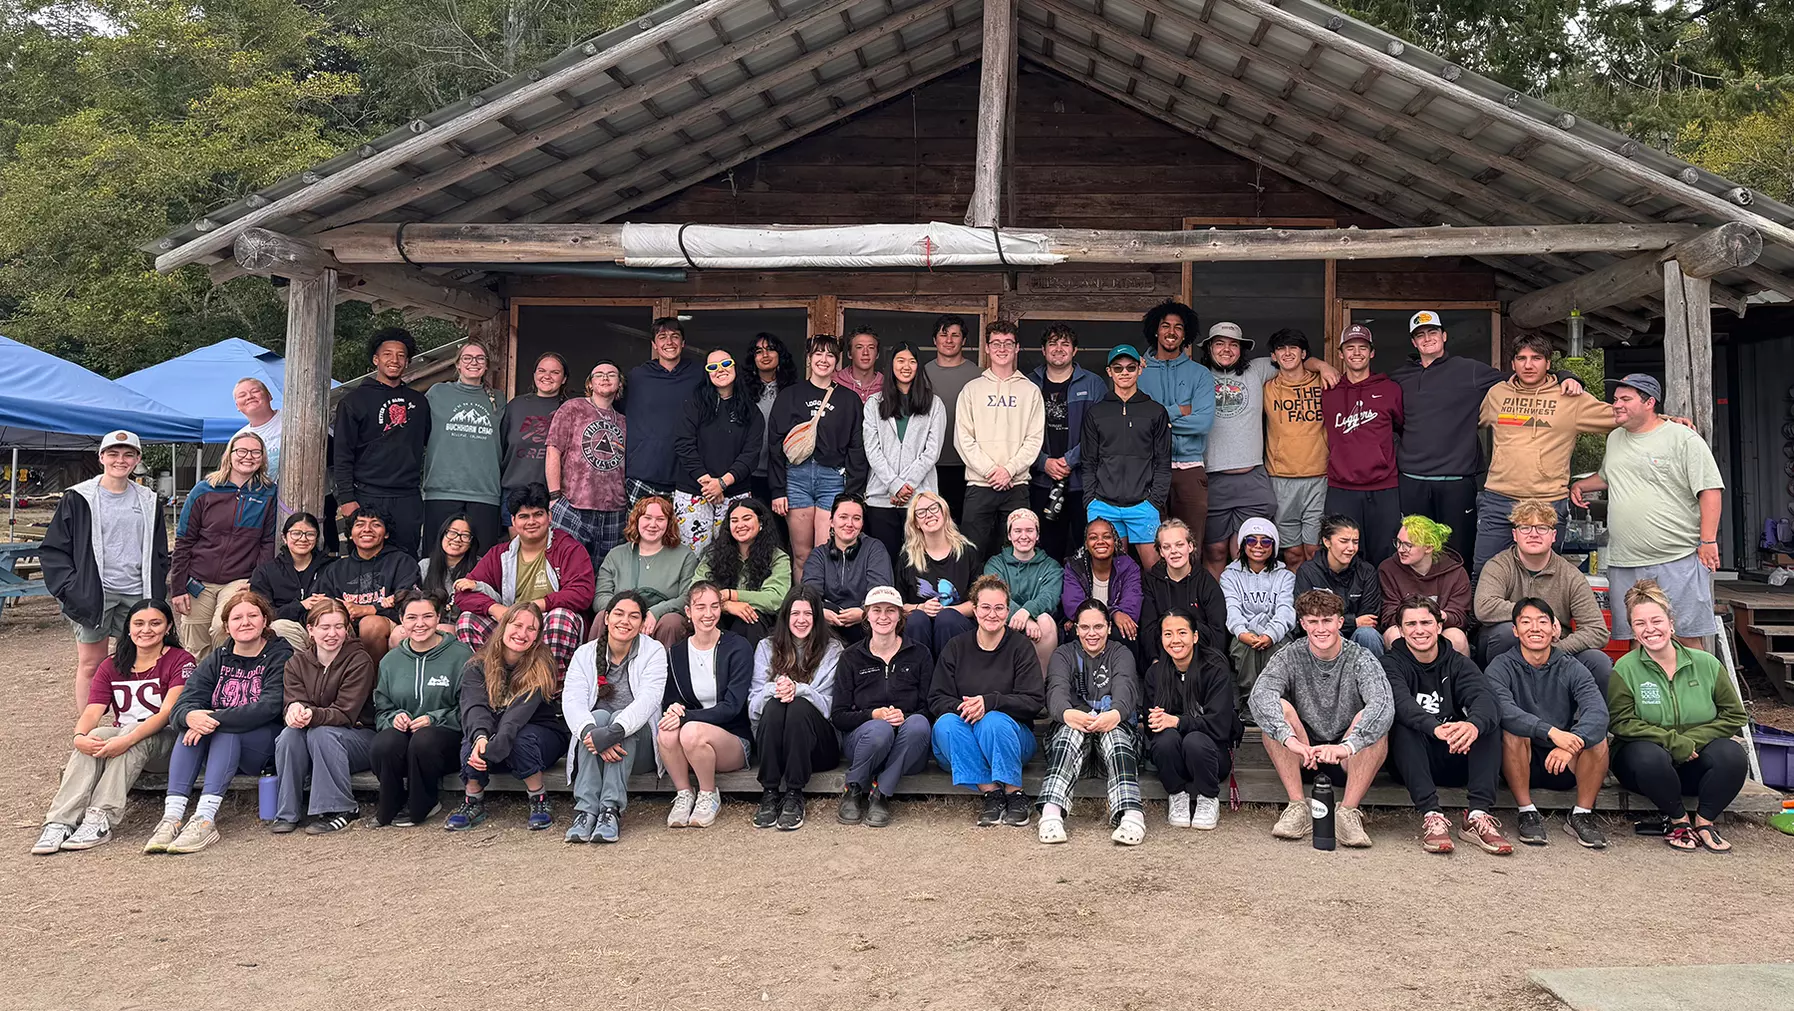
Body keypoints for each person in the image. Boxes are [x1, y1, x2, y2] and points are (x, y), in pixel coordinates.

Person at [1391, 310, 1585, 563]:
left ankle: (1458, 603)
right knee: (1413, 547)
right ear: (1414, 343)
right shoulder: (1399, 377)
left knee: (1458, 553)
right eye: (1421, 335)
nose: (1428, 338)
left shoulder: (1469, 370)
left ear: (1444, 336)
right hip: (1412, 479)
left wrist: (1564, 376)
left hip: (1456, 481)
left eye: (1433, 332)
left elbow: (1522, 378)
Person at [1571, 373, 1723, 648]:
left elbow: (1710, 490)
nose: (1616, 404)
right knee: (1636, 638)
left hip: (1677, 557)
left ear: (1649, 403)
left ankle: (1696, 691)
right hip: (1625, 561)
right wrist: (1581, 485)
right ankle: (1644, 692)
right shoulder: (1615, 438)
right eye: (1615, 399)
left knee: (1686, 636)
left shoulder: (1682, 438)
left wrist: (1708, 541)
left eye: (1626, 399)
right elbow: (1609, 475)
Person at [32, 599, 194, 855]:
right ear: (128, 628)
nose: (146, 630)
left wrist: (126, 740)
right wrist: (79, 737)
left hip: (167, 745)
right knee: (95, 735)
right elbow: (93, 710)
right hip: (125, 739)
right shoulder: (112, 664)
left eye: (155, 623)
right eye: (138, 623)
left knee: (130, 734)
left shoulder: (181, 660)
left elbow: (167, 713)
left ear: (168, 627)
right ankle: (60, 821)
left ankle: (100, 818)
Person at [148, 589, 292, 854]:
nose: (245, 622)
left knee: (224, 731)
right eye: (237, 618)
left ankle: (205, 818)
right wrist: (190, 716)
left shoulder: (280, 656)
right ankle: (172, 817)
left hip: (262, 747)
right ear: (226, 625)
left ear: (264, 621)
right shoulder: (217, 658)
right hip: (217, 749)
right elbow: (183, 704)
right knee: (190, 729)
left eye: (252, 616)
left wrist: (213, 719)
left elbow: (270, 707)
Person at [1607, 580, 1748, 852]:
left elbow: (1733, 715)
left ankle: (1705, 822)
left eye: (1656, 620)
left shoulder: (1706, 664)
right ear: (1633, 631)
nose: (1650, 629)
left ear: (1671, 623)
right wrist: (1670, 741)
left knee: (1732, 755)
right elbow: (1621, 721)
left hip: (1695, 758)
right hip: (1645, 767)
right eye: (1640, 624)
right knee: (1648, 756)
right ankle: (1678, 820)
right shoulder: (1624, 669)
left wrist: (1692, 739)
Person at [1249, 589, 1393, 847]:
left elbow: (1383, 704)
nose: (1321, 628)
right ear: (1303, 624)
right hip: (1303, 752)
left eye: (1327, 620)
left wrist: (1345, 747)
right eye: (1313, 622)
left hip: (1347, 755)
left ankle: (1348, 812)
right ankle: (1297, 807)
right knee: (1277, 710)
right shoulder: (1289, 655)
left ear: (1340, 622)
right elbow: (1260, 696)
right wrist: (1290, 740)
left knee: (1371, 720)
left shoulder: (1360, 657)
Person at [1199, 321, 1339, 576]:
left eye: (1233, 344)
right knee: (1215, 549)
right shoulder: (1197, 374)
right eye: (1219, 344)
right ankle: (1218, 612)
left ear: (1242, 349)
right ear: (1209, 348)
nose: (1226, 350)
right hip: (1213, 474)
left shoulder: (1258, 369)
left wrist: (1322, 365)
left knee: (1249, 547)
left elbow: (1292, 360)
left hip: (1253, 474)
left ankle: (1253, 603)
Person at [43, 430, 169, 710]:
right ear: (101, 457)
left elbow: (160, 551)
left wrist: (157, 591)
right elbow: (54, 549)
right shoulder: (79, 498)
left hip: (139, 592)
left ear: (137, 460)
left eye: (128, 454)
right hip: (95, 592)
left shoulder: (148, 501)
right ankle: (87, 729)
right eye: (113, 453)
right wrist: (71, 589)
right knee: (91, 664)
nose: (120, 460)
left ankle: (134, 722)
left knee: (140, 661)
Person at [1474, 333, 1617, 578]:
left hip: (1547, 501)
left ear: (1548, 363)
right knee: (1485, 572)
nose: (1528, 365)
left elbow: (1622, 418)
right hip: (1498, 499)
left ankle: (1543, 619)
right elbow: (1463, 421)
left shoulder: (1572, 398)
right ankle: (1483, 618)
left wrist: (1667, 422)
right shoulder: (1497, 394)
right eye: (1522, 358)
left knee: (1542, 577)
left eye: (1536, 358)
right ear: (1513, 364)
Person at [1382, 597, 1511, 855]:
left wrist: (1472, 725)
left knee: (1487, 724)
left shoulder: (1458, 662)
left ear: (1439, 626)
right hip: (1414, 759)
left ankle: (1477, 815)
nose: (1420, 630)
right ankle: (1432, 815)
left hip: (1456, 753)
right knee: (1403, 724)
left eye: (1426, 622)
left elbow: (1485, 699)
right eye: (1411, 624)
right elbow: (1401, 703)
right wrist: (1434, 727)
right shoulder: (1391, 663)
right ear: (1401, 629)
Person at [1485, 598, 1611, 848]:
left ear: (1555, 629)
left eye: (1543, 621)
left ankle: (1582, 815)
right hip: (1522, 759)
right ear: (1515, 630)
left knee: (1597, 740)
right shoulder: (1500, 666)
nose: (1535, 628)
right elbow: (1504, 710)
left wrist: (1572, 743)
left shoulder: (1571, 667)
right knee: (1512, 732)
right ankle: (1526, 811)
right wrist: (1552, 733)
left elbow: (1597, 711)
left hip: (1563, 760)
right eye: (1526, 622)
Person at [928, 575, 1045, 827]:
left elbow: (1034, 701)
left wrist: (990, 702)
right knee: (945, 724)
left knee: (992, 720)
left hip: (1010, 740)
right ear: (974, 608)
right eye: (985, 607)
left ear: (1008, 609)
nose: (992, 614)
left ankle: (1015, 794)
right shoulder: (956, 647)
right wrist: (969, 708)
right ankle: (991, 793)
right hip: (962, 744)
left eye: (999, 607)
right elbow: (936, 698)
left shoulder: (1020, 647)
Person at [448, 602, 570, 831]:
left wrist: (492, 749)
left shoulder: (542, 665)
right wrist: (482, 740)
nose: (522, 633)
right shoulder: (477, 666)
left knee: (520, 738)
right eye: (517, 625)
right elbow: (474, 707)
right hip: (495, 735)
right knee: (471, 741)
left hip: (540, 735)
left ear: (537, 636)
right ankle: (472, 800)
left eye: (531, 629)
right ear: (503, 626)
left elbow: (517, 716)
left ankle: (538, 798)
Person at [561, 590, 669, 844]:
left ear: (643, 624)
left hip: (637, 747)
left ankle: (610, 809)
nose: (625, 621)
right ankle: (586, 811)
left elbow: (648, 700)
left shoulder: (654, 651)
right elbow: (572, 700)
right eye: (618, 614)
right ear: (606, 618)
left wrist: (614, 732)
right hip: (594, 746)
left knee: (620, 717)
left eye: (634, 616)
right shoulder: (585, 654)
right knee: (596, 717)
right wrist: (592, 733)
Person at [453, 483, 595, 675]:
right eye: (524, 516)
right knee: (467, 620)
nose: (531, 521)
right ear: (513, 520)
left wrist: (538, 605)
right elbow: (463, 594)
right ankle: (493, 683)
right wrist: (497, 610)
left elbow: (582, 593)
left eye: (538, 514)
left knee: (560, 617)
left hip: (548, 623)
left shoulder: (569, 549)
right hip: (511, 624)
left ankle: (553, 690)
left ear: (549, 516)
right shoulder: (500, 554)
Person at [1036, 600, 1146, 846]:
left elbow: (1126, 692)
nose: (1091, 633)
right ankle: (1051, 814)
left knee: (1114, 733)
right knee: (1070, 732)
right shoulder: (1064, 654)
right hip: (1074, 756)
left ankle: (1131, 815)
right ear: (1075, 629)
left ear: (1108, 628)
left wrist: (1114, 715)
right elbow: (1055, 692)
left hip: (1117, 755)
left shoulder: (1121, 653)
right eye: (1084, 627)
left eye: (1098, 627)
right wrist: (1068, 714)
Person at [1473, 499, 1612, 687]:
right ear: (1515, 534)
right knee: (1504, 633)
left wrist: (1553, 649)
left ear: (1554, 535)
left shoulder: (1571, 575)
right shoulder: (1498, 565)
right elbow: (1484, 607)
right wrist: (1539, 618)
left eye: (1542, 528)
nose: (1533, 534)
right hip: (1511, 645)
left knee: (1598, 661)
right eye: (1525, 528)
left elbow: (1597, 631)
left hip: (1555, 647)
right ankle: (1498, 701)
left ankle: (1593, 716)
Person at [271, 600, 376, 835]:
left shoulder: (359, 660)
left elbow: (346, 713)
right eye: (324, 627)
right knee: (289, 735)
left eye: (339, 626)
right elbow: (293, 700)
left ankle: (341, 809)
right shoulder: (296, 662)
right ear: (310, 630)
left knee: (322, 733)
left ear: (347, 629)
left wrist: (311, 714)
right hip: (315, 734)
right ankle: (288, 811)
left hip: (359, 736)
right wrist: (294, 711)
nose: (332, 634)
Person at [169, 431, 278, 658]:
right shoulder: (204, 490)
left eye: (255, 452)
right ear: (229, 454)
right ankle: (200, 690)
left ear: (263, 457)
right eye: (242, 451)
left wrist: (256, 580)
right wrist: (178, 587)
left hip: (239, 579)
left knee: (224, 629)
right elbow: (184, 540)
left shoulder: (268, 494)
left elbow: (268, 542)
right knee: (195, 644)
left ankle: (226, 682)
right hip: (198, 579)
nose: (248, 456)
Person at [769, 334, 869, 581]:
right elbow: (774, 443)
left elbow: (857, 447)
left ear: (837, 361)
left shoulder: (849, 400)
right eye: (818, 354)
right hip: (796, 478)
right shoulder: (790, 395)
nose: (824, 360)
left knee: (828, 553)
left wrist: (853, 493)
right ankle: (803, 609)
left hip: (833, 479)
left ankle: (824, 609)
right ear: (809, 358)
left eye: (830, 355)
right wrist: (777, 489)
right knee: (801, 554)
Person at [832, 586, 933, 826]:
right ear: (866, 615)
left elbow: (930, 707)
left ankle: (880, 793)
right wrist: (873, 715)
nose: (883, 617)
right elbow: (838, 716)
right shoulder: (851, 657)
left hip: (908, 746)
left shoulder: (920, 654)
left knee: (919, 723)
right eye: (876, 610)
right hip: (866, 743)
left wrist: (905, 716)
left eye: (890, 610)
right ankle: (853, 788)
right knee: (880, 729)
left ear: (901, 615)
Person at [658, 581, 755, 829]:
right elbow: (672, 698)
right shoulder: (677, 652)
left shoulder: (737, 647)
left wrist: (686, 716)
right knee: (667, 732)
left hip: (733, 740)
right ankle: (684, 794)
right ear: (688, 611)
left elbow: (733, 706)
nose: (708, 614)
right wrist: (675, 709)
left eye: (714, 606)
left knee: (690, 730)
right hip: (693, 741)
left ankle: (708, 794)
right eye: (700, 607)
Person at [371, 591, 472, 827]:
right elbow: (382, 709)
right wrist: (394, 718)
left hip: (445, 739)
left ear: (439, 618)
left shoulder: (461, 656)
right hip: (404, 737)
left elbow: (470, 709)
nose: (420, 624)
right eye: (411, 617)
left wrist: (434, 719)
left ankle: (423, 804)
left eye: (427, 616)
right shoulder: (390, 661)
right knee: (383, 744)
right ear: (402, 621)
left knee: (424, 740)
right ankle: (391, 803)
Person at [748, 587, 843, 830]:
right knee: (775, 704)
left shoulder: (833, 651)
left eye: (808, 614)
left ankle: (793, 793)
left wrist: (800, 689)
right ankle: (769, 792)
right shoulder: (766, 648)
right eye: (795, 613)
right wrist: (775, 689)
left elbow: (833, 709)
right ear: (785, 616)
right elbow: (753, 707)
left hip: (819, 748)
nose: (801, 620)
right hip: (776, 746)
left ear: (817, 617)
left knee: (799, 705)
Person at [333, 327, 431, 555]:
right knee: (365, 558)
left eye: (400, 355)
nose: (394, 360)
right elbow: (342, 453)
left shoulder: (419, 403)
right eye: (387, 354)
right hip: (367, 494)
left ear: (407, 362)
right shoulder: (354, 402)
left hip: (407, 496)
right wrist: (347, 499)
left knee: (406, 559)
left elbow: (426, 442)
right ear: (376, 359)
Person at [1143, 608, 1239, 831]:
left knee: (1194, 740)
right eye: (1168, 634)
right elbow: (1152, 727)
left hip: (1211, 757)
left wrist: (1177, 721)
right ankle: (1177, 794)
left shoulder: (1215, 667)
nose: (1175, 640)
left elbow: (1220, 725)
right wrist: (1158, 721)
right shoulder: (1155, 674)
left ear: (1195, 637)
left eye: (1182, 633)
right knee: (1164, 739)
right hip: (1175, 760)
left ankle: (1208, 798)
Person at [955, 319, 1045, 556]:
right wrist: (991, 471)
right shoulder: (972, 389)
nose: (1002, 349)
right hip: (979, 484)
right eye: (996, 343)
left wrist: (1009, 470)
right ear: (986, 348)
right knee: (972, 552)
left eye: (1008, 343)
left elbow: (1034, 439)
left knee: (1016, 553)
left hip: (1017, 485)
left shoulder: (1030, 390)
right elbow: (963, 438)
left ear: (1017, 348)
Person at [1081, 344, 1172, 571]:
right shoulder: (1096, 412)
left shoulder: (1155, 411)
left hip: (1143, 505)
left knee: (1156, 571)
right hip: (1103, 504)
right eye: (1118, 368)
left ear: (1140, 369)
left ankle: (1158, 609)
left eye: (1130, 367)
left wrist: (1155, 501)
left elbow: (1163, 461)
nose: (1124, 373)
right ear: (1109, 371)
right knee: (1108, 571)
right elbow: (1089, 461)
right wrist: (1091, 499)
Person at [1137, 301, 1218, 555]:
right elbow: (1137, 424)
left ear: (1186, 334)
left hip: (1190, 469)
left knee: (1190, 546)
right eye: (1165, 326)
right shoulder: (1138, 372)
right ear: (1156, 330)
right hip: (1148, 468)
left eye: (1178, 327)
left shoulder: (1200, 374)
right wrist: (1179, 410)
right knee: (1151, 547)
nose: (1171, 332)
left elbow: (1203, 422)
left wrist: (1158, 415)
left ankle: (1190, 596)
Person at [1323, 324, 1405, 566]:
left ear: (1372, 353)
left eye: (1362, 347)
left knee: (1385, 554)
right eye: (1350, 348)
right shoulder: (1329, 390)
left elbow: (1400, 427)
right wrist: (1320, 365)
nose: (1356, 353)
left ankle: (1383, 604)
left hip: (1384, 486)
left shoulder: (1390, 390)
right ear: (1340, 354)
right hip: (1342, 487)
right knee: (1343, 556)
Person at [673, 348, 764, 554]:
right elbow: (684, 444)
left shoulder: (751, 410)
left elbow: (750, 455)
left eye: (725, 364)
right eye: (712, 366)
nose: (720, 370)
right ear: (707, 373)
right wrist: (709, 484)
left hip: (735, 493)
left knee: (731, 554)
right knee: (693, 556)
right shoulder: (693, 404)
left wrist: (722, 483)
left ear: (735, 367)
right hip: (694, 492)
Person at [1027, 324, 1106, 559]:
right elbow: (1017, 434)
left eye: (1065, 344)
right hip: (1041, 481)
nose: (1058, 349)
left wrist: (1070, 460)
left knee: (1084, 550)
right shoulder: (1028, 384)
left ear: (1075, 350)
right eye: (1052, 343)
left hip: (1083, 483)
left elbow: (1100, 432)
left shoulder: (1094, 384)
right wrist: (1043, 462)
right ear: (1043, 350)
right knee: (1045, 550)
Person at [863, 341, 945, 561]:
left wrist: (908, 485)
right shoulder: (874, 403)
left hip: (920, 498)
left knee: (917, 560)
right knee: (884, 560)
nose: (906, 366)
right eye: (900, 360)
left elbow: (932, 450)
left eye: (912, 361)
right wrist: (895, 485)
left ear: (919, 366)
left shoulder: (933, 404)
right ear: (891, 365)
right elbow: (872, 449)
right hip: (881, 498)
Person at [422, 341, 505, 550]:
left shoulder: (499, 400)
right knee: (436, 558)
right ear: (458, 364)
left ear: (486, 366)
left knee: (481, 560)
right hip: (442, 490)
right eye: (467, 358)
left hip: (485, 491)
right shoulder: (437, 393)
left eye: (480, 358)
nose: (473, 363)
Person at [547, 360, 628, 572]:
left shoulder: (624, 421)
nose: (605, 378)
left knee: (605, 574)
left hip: (614, 509)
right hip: (574, 503)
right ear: (590, 383)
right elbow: (553, 449)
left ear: (619, 384)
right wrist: (555, 497)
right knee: (565, 570)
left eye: (611, 374)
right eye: (599, 374)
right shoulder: (573, 408)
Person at [314, 505, 419, 663]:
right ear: (350, 534)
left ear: (387, 533)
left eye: (376, 524)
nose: (367, 529)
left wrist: (367, 610)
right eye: (360, 524)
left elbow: (409, 604)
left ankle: (374, 683)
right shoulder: (335, 569)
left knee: (370, 624)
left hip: (387, 627)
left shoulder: (402, 562)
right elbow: (318, 605)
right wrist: (342, 610)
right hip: (344, 626)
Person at [1261, 328, 1329, 569]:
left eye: (1293, 348)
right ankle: (1295, 605)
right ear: (1273, 356)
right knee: (1291, 554)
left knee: (1314, 550)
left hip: (1318, 476)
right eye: (1281, 348)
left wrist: (1323, 366)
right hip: (1280, 478)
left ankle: (1318, 603)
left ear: (1303, 353)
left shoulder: (1324, 382)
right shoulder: (1267, 388)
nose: (1287, 353)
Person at [595, 495, 700, 650]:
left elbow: (688, 597)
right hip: (624, 617)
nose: (653, 524)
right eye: (647, 518)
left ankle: (666, 672)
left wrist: (655, 612)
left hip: (661, 621)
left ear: (669, 523)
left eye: (660, 519)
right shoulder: (616, 555)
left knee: (672, 622)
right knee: (602, 616)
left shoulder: (685, 556)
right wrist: (627, 614)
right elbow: (600, 597)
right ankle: (599, 670)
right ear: (636, 520)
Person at [624, 317, 706, 504]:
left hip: (689, 476)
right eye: (662, 337)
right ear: (654, 344)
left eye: (675, 336)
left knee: (684, 534)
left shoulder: (700, 374)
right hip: (643, 474)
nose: (669, 342)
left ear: (683, 343)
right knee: (643, 532)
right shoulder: (637, 377)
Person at [691, 497, 791, 643]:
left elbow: (776, 598)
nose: (740, 525)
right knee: (708, 618)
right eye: (734, 520)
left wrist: (732, 594)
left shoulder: (778, 557)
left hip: (758, 623)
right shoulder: (714, 554)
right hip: (719, 615)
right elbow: (696, 590)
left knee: (749, 620)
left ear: (761, 522)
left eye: (746, 518)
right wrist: (726, 605)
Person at [897, 490, 980, 655]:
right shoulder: (908, 557)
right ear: (916, 524)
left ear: (944, 512)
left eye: (933, 508)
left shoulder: (967, 552)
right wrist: (921, 607)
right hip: (921, 627)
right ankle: (920, 676)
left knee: (946, 619)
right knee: (916, 619)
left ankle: (949, 677)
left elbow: (977, 603)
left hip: (956, 626)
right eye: (921, 513)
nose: (928, 515)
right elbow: (899, 605)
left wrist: (946, 611)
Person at [801, 494, 893, 644]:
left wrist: (865, 612)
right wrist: (820, 612)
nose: (849, 523)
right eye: (843, 517)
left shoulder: (874, 549)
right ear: (831, 522)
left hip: (866, 624)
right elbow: (810, 592)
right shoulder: (819, 554)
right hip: (828, 624)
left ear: (862, 524)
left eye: (856, 518)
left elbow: (881, 590)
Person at [1219, 517, 1295, 697]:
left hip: (1277, 633)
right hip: (1244, 634)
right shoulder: (1229, 576)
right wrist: (1243, 633)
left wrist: (1270, 634)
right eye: (1252, 540)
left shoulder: (1286, 576)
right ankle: (1250, 701)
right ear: (1243, 544)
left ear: (1274, 546)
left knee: (1279, 648)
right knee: (1243, 649)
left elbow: (1285, 610)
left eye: (1266, 541)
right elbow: (1232, 609)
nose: (1258, 546)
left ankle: (1275, 701)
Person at [982, 507, 1062, 675]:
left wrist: (1028, 611)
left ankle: (1041, 684)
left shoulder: (1051, 566)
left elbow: (1050, 597)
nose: (1024, 536)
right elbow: (995, 595)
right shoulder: (995, 564)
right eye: (1017, 531)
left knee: (1046, 620)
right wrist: (1024, 618)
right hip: (1005, 621)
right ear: (1010, 536)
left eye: (1029, 530)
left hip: (1039, 629)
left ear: (1037, 535)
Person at [1379, 515, 1471, 656]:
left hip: (1441, 627)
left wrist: (1436, 618)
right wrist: (1413, 622)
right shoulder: (1388, 569)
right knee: (1394, 635)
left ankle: (1456, 677)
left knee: (1457, 637)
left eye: (1408, 545)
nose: (1401, 549)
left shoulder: (1455, 572)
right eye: (1398, 542)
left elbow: (1460, 617)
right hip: (1405, 628)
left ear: (1428, 547)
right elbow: (1387, 614)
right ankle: (1402, 677)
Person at [1139, 518, 1229, 658]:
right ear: (1161, 552)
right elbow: (1148, 631)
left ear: (1190, 546)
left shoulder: (1206, 582)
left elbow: (1218, 632)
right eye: (1167, 547)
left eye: (1179, 545)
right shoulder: (1151, 583)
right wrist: (1156, 661)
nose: (1173, 551)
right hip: (1164, 658)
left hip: (1202, 657)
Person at [1294, 515, 1384, 655]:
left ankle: (1375, 676)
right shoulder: (1308, 571)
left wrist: (1352, 623)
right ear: (1326, 541)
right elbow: (1306, 616)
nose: (1351, 548)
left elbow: (1369, 619)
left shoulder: (1367, 571)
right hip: (1321, 634)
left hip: (1358, 635)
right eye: (1344, 541)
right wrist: (1353, 621)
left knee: (1368, 634)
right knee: (1332, 635)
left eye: (1355, 542)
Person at [251, 512, 335, 653]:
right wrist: (301, 605)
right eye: (296, 533)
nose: (303, 539)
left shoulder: (331, 567)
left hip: (325, 630)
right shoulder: (265, 572)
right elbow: (262, 614)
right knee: (279, 627)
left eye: (310, 534)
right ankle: (300, 671)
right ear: (284, 537)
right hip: (290, 634)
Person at [926, 313, 982, 521]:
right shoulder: (921, 374)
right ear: (934, 340)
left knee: (962, 524)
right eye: (943, 335)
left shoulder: (978, 375)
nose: (949, 340)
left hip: (968, 465)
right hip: (931, 464)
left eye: (955, 335)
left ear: (964, 340)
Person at [499, 352, 567, 523]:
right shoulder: (516, 406)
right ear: (534, 375)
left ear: (564, 379)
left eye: (555, 372)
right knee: (518, 548)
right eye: (542, 370)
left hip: (553, 494)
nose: (547, 376)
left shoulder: (570, 408)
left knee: (552, 549)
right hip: (514, 490)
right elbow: (500, 447)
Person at [1062, 517, 1144, 652]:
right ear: (1087, 544)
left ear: (1115, 541)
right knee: (1076, 632)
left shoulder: (1129, 566)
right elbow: (1073, 605)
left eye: (1106, 536)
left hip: (1115, 629)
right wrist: (1114, 613)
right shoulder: (1075, 567)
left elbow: (1131, 607)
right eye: (1093, 538)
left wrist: (1116, 615)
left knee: (1126, 631)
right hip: (1088, 624)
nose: (1100, 541)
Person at [745, 333, 798, 505]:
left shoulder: (793, 391)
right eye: (759, 351)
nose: (765, 355)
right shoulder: (742, 391)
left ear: (780, 355)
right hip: (748, 473)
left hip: (785, 475)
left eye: (770, 349)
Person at [416, 513, 480, 638]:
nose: (457, 539)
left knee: (442, 631)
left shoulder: (480, 565)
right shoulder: (425, 565)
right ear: (442, 535)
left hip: (463, 627)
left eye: (465, 535)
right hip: (426, 624)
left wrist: (477, 585)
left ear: (472, 541)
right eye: (452, 532)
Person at [231, 377, 282, 477]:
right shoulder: (239, 438)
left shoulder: (293, 418)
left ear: (269, 396)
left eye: (255, 391)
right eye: (242, 395)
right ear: (237, 406)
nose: (249, 397)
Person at [835, 326, 883, 402]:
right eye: (859, 347)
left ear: (877, 354)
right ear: (849, 354)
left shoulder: (887, 385)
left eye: (871, 347)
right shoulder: (835, 381)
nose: (865, 353)